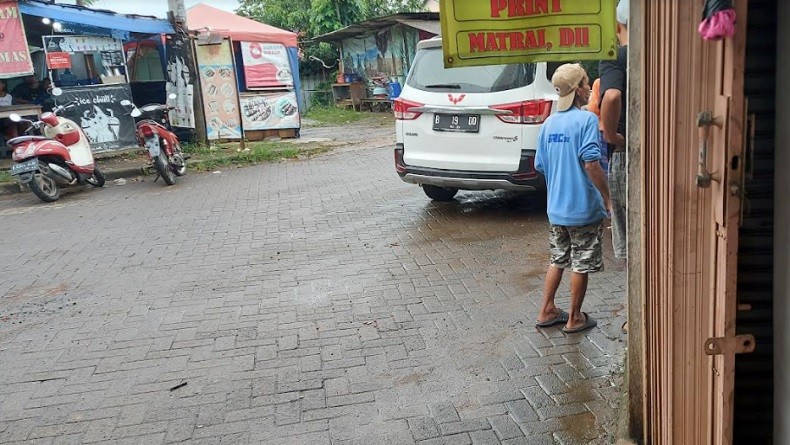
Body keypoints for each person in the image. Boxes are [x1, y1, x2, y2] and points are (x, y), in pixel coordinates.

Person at [534, 63, 612, 334]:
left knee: (558, 259)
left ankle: (547, 310)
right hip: (583, 208)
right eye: (586, 82)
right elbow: (591, 162)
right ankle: (574, 317)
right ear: (578, 90)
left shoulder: (548, 125)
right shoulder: (587, 119)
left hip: (556, 210)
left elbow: (540, 165)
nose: (590, 86)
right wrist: (607, 196)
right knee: (581, 262)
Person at [599, 0, 629, 260]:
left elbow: (610, 97)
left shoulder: (616, 58)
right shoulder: (660, 55)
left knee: (628, 240)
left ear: (618, 25)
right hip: (664, 148)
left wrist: (610, 136)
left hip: (626, 154)